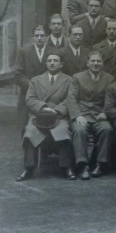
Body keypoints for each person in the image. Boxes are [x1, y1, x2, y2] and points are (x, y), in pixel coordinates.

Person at [19, 51, 75, 181]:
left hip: (58, 116)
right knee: (29, 132)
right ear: (46, 63)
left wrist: (57, 110)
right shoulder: (35, 80)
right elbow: (30, 99)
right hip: (39, 115)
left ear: (61, 64)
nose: (52, 63)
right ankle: (28, 168)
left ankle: (66, 167)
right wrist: (44, 107)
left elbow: (70, 99)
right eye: (49, 61)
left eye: (55, 61)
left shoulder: (68, 80)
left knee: (64, 131)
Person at [67, 50, 115, 180]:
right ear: (88, 63)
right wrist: (77, 115)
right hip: (82, 114)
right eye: (93, 61)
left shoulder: (109, 78)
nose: (96, 63)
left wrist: (105, 113)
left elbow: (111, 99)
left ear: (102, 63)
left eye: (98, 61)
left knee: (107, 129)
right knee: (79, 130)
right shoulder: (77, 77)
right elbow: (71, 98)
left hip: (99, 115)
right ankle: (83, 166)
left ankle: (101, 164)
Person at [14, 25, 49, 130]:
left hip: (46, 95)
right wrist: (33, 86)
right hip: (27, 94)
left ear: (46, 37)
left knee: (46, 126)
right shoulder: (24, 51)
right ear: (33, 37)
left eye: (42, 35)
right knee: (25, 127)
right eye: (37, 35)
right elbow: (18, 75)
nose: (39, 38)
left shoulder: (52, 51)